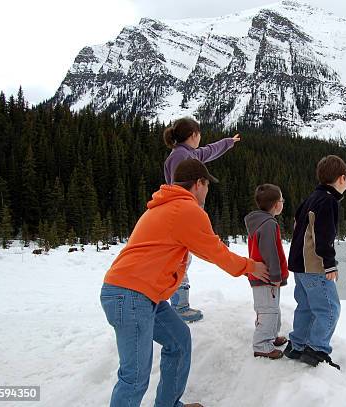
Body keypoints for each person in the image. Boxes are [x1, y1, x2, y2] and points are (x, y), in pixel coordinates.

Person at [100, 159, 269, 407]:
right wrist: (251, 266)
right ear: (199, 183)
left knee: (179, 341)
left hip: (143, 296)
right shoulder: (185, 210)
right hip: (130, 295)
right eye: (207, 185)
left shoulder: (167, 207)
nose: (208, 191)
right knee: (134, 377)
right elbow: (216, 253)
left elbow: (201, 248)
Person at [163, 117, 240, 322]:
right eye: (200, 135)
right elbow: (180, 186)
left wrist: (228, 142)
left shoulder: (187, 153)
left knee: (182, 260)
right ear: (194, 135)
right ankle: (179, 306)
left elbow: (209, 151)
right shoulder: (181, 157)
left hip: (183, 214)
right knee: (181, 260)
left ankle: (177, 304)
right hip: (183, 216)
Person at [283, 155, 346, 370]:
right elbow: (323, 234)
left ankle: (297, 345)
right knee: (329, 309)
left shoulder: (311, 198)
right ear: (342, 179)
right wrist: (329, 263)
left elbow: (296, 226)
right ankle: (317, 350)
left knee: (307, 307)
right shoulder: (328, 201)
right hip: (314, 266)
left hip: (299, 266)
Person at [244, 184, 289, 360]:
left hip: (263, 277)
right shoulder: (268, 224)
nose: (282, 203)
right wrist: (276, 275)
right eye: (282, 200)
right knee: (268, 310)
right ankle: (262, 345)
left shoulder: (259, 222)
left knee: (270, 308)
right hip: (267, 278)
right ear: (276, 204)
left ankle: (271, 336)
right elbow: (270, 252)